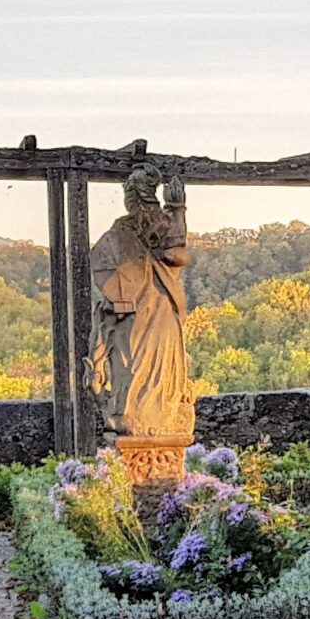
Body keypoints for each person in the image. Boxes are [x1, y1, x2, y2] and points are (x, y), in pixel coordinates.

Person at [85, 168, 193, 443]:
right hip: (138, 307)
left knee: (144, 363)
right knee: (132, 363)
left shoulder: (137, 224)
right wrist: (177, 208)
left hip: (156, 304)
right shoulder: (133, 226)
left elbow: (178, 255)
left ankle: (152, 417)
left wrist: (175, 212)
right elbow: (177, 254)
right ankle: (136, 416)